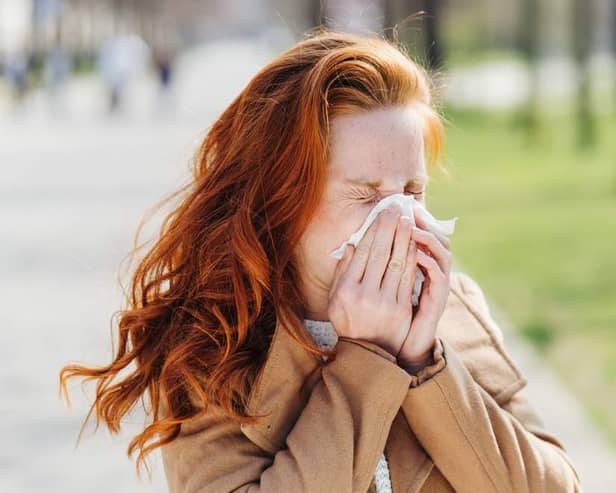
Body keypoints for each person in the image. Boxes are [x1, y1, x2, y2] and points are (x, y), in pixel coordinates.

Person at [58, 29, 582, 492]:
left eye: (412, 189)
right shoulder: (214, 346)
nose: (400, 216)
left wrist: (424, 364)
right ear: (284, 200)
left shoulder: (456, 310)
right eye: (366, 193)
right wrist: (367, 359)